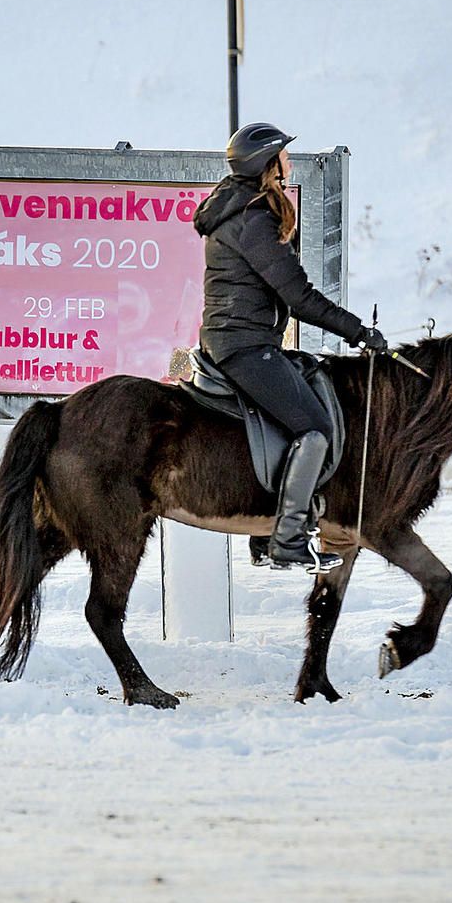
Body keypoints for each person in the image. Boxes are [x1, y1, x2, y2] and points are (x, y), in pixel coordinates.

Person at [192, 122, 388, 571]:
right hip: (242, 345)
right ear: (267, 164)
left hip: (242, 340)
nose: (289, 162)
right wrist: (358, 332)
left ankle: (265, 534)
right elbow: (298, 297)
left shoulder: (241, 208)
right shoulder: (254, 220)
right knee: (315, 430)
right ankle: (288, 540)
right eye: (283, 155)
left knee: (304, 396)